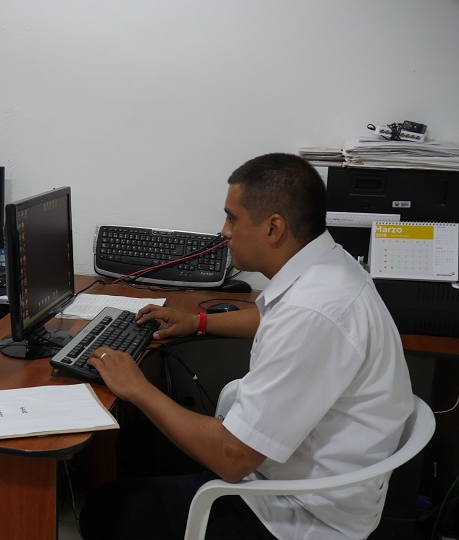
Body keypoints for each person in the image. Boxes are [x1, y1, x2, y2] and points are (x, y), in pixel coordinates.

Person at [79, 153, 414, 540]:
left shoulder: (312, 313)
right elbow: (271, 315)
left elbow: (233, 459)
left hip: (296, 512)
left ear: (273, 228)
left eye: (232, 219)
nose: (224, 231)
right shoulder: (329, 266)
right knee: (139, 439)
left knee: (105, 511)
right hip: (293, 466)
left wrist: (136, 387)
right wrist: (198, 322)